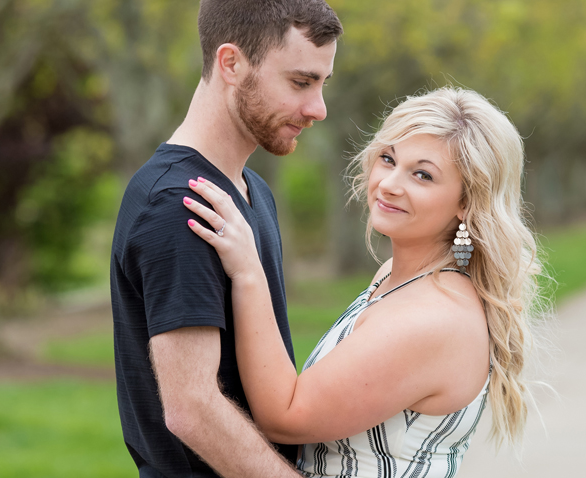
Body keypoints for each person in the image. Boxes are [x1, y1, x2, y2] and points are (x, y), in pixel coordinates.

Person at [182, 87, 548, 477]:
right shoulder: (396, 275)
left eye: (422, 175)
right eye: (388, 159)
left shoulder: (434, 317)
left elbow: (285, 416)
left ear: (466, 201)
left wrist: (248, 272)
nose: (390, 183)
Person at [109, 1, 342, 476]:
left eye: (322, 83)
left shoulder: (253, 191)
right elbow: (192, 408)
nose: (317, 108)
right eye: (300, 82)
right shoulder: (178, 205)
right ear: (231, 63)